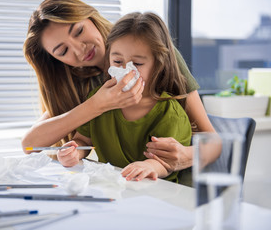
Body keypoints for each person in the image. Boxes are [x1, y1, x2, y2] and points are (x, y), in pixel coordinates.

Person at [22, 0, 217, 174]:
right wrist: (96, 105)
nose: (80, 48)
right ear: (57, 60)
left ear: (90, 17)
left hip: (179, 181)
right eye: (63, 51)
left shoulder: (151, 50)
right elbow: (30, 145)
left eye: (79, 31)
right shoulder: (79, 83)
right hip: (124, 183)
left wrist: (185, 156)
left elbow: (213, 141)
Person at [58, 12, 192, 182]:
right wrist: (74, 152)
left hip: (153, 193)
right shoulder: (99, 99)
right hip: (113, 188)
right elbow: (83, 139)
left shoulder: (169, 113)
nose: (127, 70)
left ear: (158, 65)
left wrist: (149, 166)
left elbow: (167, 161)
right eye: (117, 61)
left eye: (137, 64)